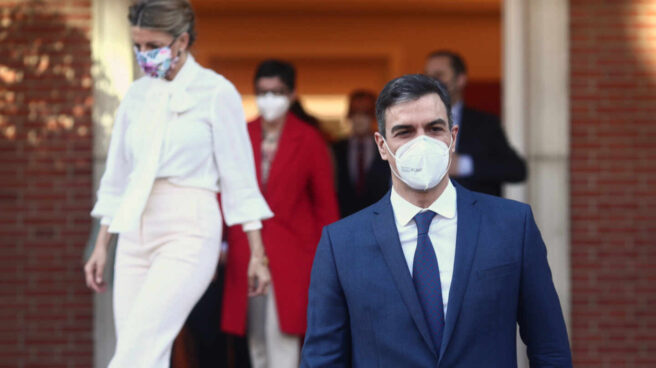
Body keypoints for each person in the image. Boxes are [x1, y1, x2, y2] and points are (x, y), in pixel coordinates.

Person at [301, 74, 572, 367]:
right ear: (382, 145)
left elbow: (550, 349)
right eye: (404, 131)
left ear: (452, 137)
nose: (422, 142)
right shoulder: (341, 244)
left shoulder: (512, 226)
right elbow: (322, 359)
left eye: (434, 128)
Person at [83, 1, 273, 367]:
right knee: (144, 353)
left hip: (189, 230)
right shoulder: (135, 96)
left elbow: (240, 179)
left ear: (182, 40)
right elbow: (117, 178)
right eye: (137, 46)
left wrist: (257, 254)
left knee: (137, 349)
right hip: (135, 233)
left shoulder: (216, 92)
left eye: (151, 46)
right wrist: (101, 243)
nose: (143, 55)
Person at [222, 59, 339, 368]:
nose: (269, 99)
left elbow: (325, 204)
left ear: (292, 93)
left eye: (277, 92)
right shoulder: (239, 134)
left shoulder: (310, 139)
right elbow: (224, 192)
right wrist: (220, 242)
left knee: (284, 338)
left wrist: (330, 256)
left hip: (294, 252)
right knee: (255, 337)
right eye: (262, 92)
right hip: (245, 248)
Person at [424, 50, 526, 197]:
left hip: (477, 214)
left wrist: (463, 165)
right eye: (427, 76)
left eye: (439, 75)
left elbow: (516, 169)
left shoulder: (485, 123)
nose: (432, 81)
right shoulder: (413, 121)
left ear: (460, 80)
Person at [332, 90, 390, 218]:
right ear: (348, 115)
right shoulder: (337, 149)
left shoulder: (387, 147)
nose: (359, 118)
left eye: (365, 113)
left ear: (374, 116)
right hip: (345, 219)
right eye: (355, 112)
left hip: (380, 218)